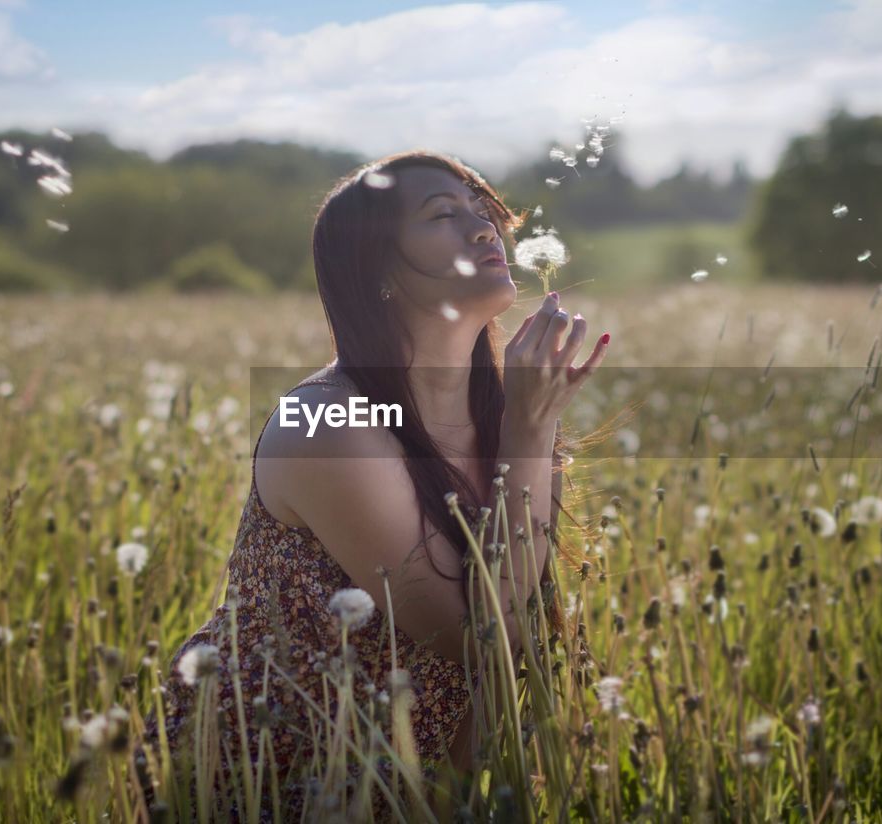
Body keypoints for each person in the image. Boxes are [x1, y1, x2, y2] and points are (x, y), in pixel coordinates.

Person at [138, 150, 610, 821]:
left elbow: (511, 639)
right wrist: (530, 438)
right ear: (379, 269)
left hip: (410, 775)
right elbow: (474, 637)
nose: (484, 230)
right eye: (443, 216)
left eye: (483, 213)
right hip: (275, 771)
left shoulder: (502, 413)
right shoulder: (327, 423)